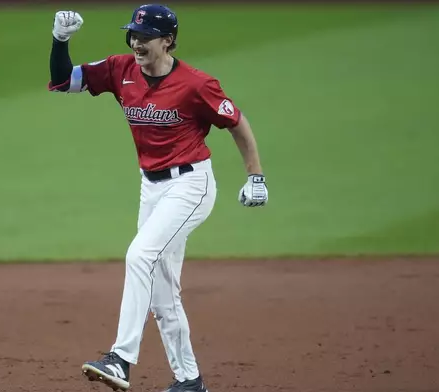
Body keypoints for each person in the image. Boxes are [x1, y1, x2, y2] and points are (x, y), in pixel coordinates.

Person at [47, 4, 269, 392]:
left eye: (145, 36)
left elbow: (236, 122)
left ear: (168, 40)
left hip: (191, 186)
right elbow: (65, 80)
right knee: (163, 296)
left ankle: (120, 359)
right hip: (151, 187)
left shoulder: (197, 84)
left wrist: (256, 176)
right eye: (133, 34)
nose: (136, 42)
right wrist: (60, 41)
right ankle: (189, 380)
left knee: (140, 255)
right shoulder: (121, 70)